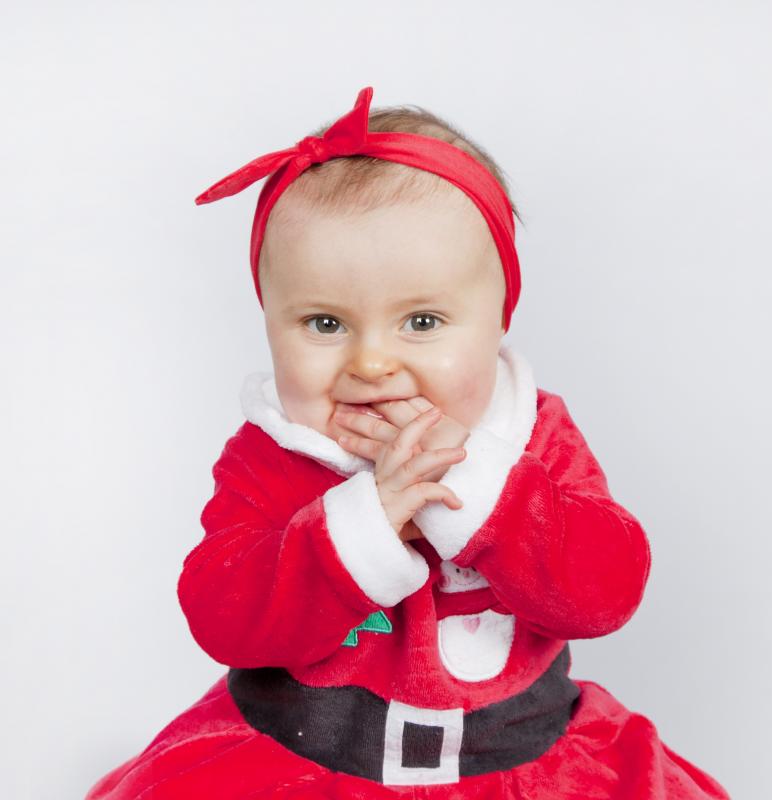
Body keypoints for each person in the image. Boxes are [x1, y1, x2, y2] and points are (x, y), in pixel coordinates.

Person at [85, 86, 730, 799]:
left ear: (496, 322)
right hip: (301, 763)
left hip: (518, 763)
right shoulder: (273, 454)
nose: (371, 363)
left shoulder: (530, 437)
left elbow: (606, 593)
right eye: (325, 324)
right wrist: (364, 523)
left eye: (421, 322)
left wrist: (483, 495)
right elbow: (223, 618)